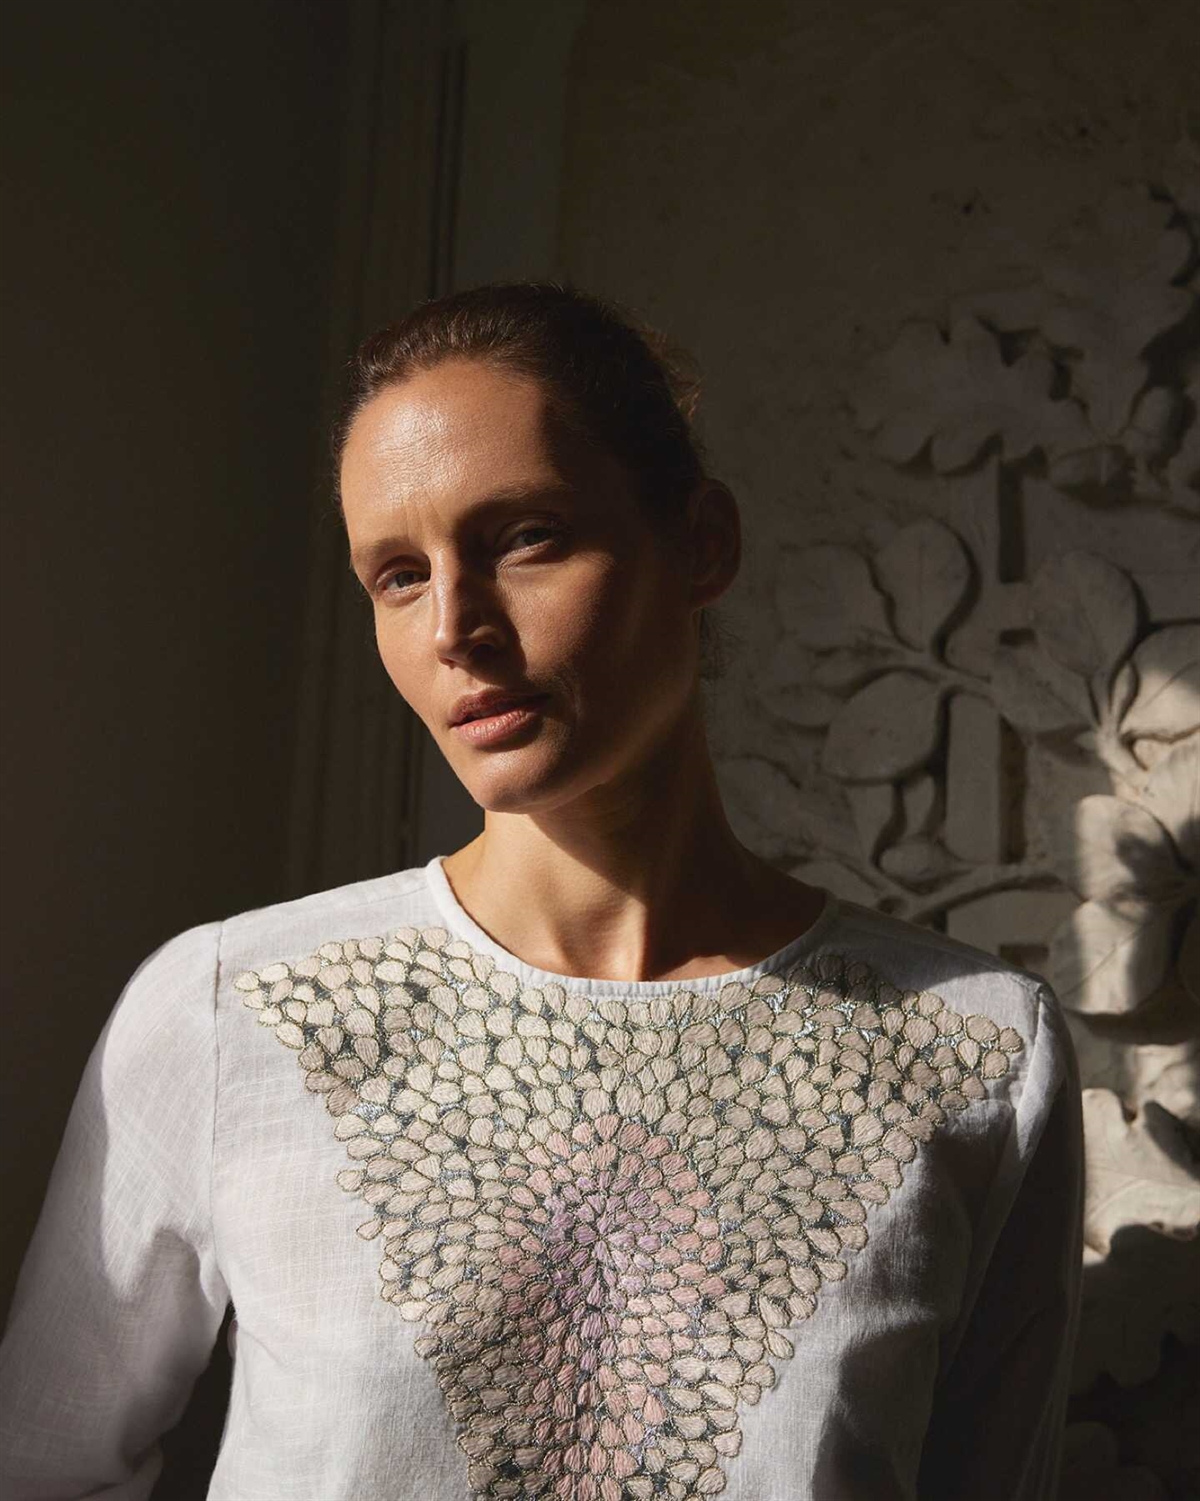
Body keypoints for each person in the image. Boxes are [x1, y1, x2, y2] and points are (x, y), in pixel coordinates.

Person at [0, 282, 1084, 1500]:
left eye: (524, 538)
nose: (454, 626)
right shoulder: (232, 1009)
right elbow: (41, 1461)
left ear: (703, 543)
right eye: (398, 576)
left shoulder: (976, 1047)